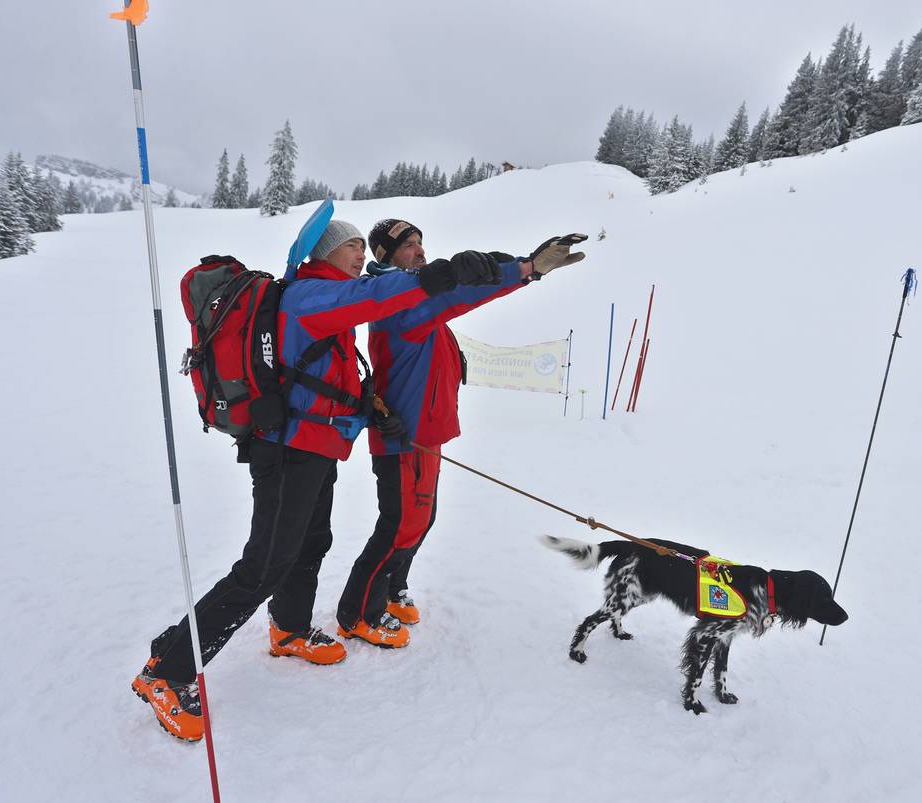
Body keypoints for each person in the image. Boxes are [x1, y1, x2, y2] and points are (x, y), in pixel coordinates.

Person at [131, 220, 508, 741]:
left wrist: (369, 404)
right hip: (287, 450)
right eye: (353, 245)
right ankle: (168, 672)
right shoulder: (310, 294)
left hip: (315, 448)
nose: (360, 254)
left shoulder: (324, 296)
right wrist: (442, 275)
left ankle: (287, 628)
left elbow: (325, 369)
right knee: (263, 565)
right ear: (329, 252)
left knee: (311, 541)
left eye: (359, 246)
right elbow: (379, 293)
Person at [335, 220, 586, 648]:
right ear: (384, 254)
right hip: (404, 436)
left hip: (425, 433)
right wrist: (525, 269)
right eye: (407, 245)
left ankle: (393, 590)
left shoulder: (413, 296)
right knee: (399, 526)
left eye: (420, 243)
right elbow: (459, 293)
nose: (419, 251)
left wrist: (526, 270)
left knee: (420, 520)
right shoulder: (399, 301)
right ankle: (358, 612)